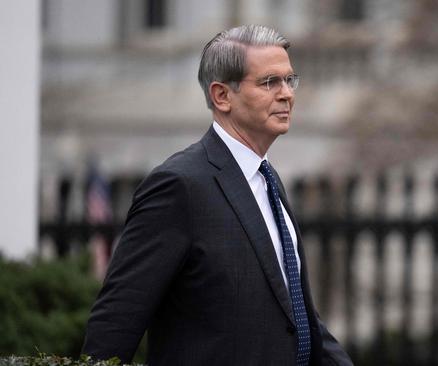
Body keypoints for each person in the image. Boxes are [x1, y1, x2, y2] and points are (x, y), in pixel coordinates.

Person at [82, 25, 353, 366]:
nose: (287, 94)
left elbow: (296, 316)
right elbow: (117, 319)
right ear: (222, 95)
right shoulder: (179, 185)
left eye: (289, 80)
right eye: (270, 82)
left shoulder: (268, 180)